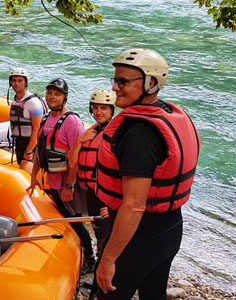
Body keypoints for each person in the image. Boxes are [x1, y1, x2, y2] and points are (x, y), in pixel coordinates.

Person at [93, 48, 200, 300]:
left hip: (139, 238)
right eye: (115, 80)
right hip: (170, 230)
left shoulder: (138, 133)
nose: (115, 88)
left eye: (124, 81)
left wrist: (108, 259)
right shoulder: (170, 114)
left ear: (151, 83)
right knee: (154, 294)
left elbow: (134, 205)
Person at [26, 78, 94, 272]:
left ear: (65, 97)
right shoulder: (47, 119)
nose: (52, 97)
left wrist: (70, 186)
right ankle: (76, 253)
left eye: (56, 94)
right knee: (65, 219)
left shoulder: (72, 122)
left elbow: (77, 158)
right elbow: (41, 150)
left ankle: (90, 258)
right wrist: (33, 176)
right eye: (49, 93)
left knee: (75, 222)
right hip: (53, 182)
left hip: (67, 184)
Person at [62, 88, 116, 260]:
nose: (98, 112)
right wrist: (79, 141)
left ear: (112, 110)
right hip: (93, 194)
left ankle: (105, 280)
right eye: (95, 108)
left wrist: (114, 206)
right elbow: (72, 162)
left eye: (104, 108)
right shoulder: (90, 132)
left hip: (107, 197)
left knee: (107, 238)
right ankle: (99, 273)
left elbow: (122, 174)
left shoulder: (116, 135)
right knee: (100, 234)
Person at [8, 67, 45, 168]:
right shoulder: (16, 100)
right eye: (14, 81)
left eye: (20, 81)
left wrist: (29, 151)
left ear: (26, 82)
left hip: (31, 145)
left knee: (26, 173)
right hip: (20, 143)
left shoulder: (33, 103)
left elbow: (37, 129)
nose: (16, 84)